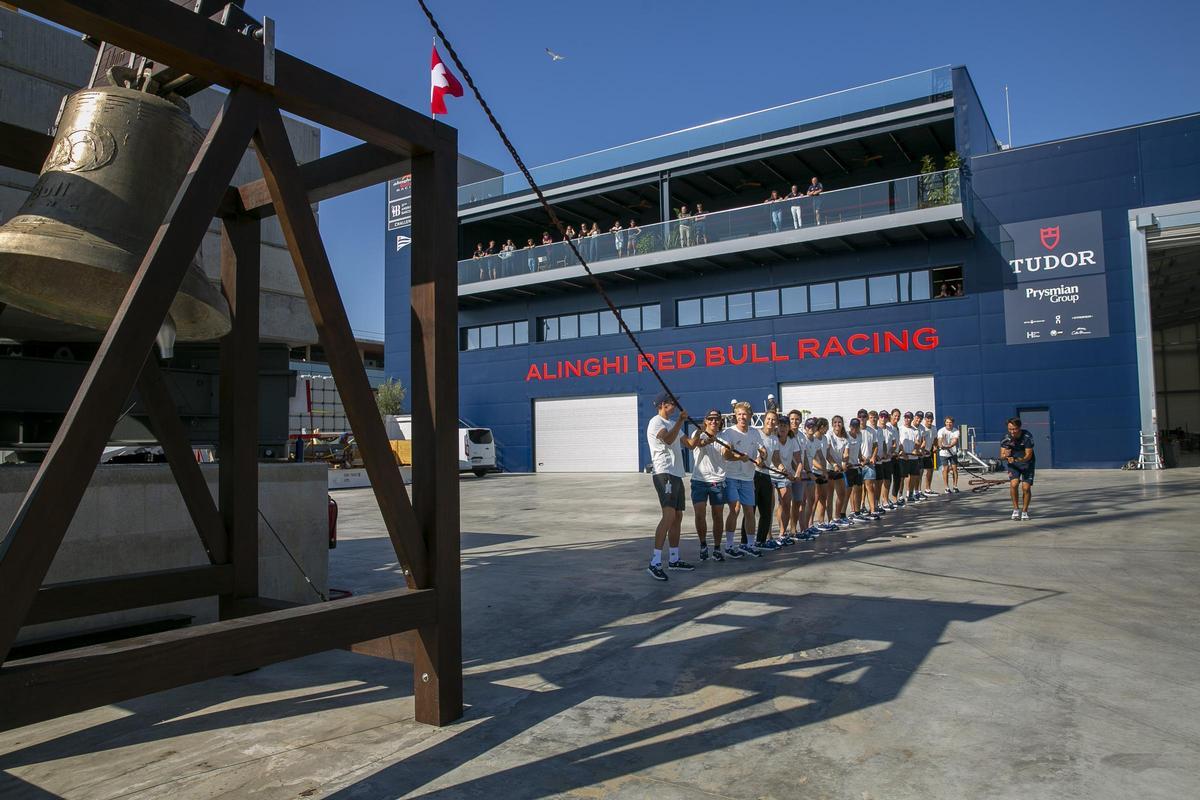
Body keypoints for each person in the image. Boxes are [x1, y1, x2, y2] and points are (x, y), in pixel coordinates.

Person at [645, 393, 693, 580]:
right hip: (663, 472)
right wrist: (681, 421)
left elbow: (689, 444)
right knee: (669, 515)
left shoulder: (673, 424)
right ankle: (655, 562)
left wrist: (706, 436)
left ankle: (674, 559)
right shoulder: (656, 422)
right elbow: (667, 440)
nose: (676, 406)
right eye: (673, 403)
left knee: (678, 516)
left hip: (676, 474)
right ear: (664, 405)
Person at [684, 410, 729, 562]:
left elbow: (725, 452)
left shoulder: (724, 436)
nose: (713, 421)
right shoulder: (698, 434)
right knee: (700, 514)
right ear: (705, 420)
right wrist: (703, 438)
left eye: (717, 419)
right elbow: (694, 445)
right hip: (699, 481)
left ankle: (717, 548)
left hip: (718, 481)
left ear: (720, 421)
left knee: (717, 516)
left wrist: (736, 455)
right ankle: (703, 545)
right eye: (710, 419)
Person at [723, 401, 765, 558]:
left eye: (744, 414)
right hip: (732, 477)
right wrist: (739, 458)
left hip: (748, 478)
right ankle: (728, 545)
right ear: (735, 415)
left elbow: (763, 450)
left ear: (750, 416)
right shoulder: (729, 433)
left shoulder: (755, 433)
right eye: (739, 414)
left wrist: (762, 457)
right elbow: (725, 454)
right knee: (735, 509)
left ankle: (750, 545)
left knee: (749, 511)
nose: (741, 417)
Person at [754, 410, 782, 550]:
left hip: (766, 475)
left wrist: (781, 467)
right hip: (753, 475)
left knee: (766, 511)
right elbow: (755, 451)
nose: (771, 422)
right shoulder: (756, 434)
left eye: (773, 420)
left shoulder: (774, 438)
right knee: (750, 510)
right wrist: (758, 459)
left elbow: (775, 458)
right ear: (764, 420)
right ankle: (745, 542)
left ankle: (761, 541)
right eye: (768, 419)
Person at [771, 412, 800, 545]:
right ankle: (768, 536)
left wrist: (798, 474)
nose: (782, 428)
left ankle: (782, 534)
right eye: (780, 425)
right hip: (771, 474)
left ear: (789, 428)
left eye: (785, 425)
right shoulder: (773, 438)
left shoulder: (793, 440)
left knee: (786, 503)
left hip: (785, 476)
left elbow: (799, 461)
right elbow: (775, 458)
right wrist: (784, 470)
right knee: (769, 506)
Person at [1000, 417, 1035, 520]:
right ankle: (1016, 509)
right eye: (1010, 429)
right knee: (1014, 484)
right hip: (1013, 464)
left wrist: (1017, 460)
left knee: (1026, 488)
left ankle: (1024, 511)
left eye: (1014, 429)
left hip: (1027, 463)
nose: (1012, 432)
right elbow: (1001, 456)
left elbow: (1028, 455)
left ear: (1019, 428)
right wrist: (1006, 455)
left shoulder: (1027, 436)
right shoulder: (1005, 438)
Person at [842, 418, 866, 524]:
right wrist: (845, 463)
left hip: (856, 467)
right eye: (853, 426)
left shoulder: (860, 435)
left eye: (857, 426)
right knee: (847, 492)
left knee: (859, 489)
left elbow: (859, 449)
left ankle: (857, 512)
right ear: (850, 426)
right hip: (848, 468)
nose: (855, 428)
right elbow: (844, 452)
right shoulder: (846, 436)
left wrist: (861, 458)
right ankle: (842, 514)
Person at [828, 415, 851, 526]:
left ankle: (837, 517)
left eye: (839, 422)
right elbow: (827, 454)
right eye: (835, 422)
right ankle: (828, 520)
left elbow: (846, 454)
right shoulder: (829, 435)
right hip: (829, 468)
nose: (837, 424)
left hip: (839, 469)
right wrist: (834, 464)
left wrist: (844, 462)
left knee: (842, 494)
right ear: (832, 424)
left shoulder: (845, 438)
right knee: (829, 495)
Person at [899, 411, 922, 503]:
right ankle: (900, 495)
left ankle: (910, 494)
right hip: (903, 457)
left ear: (912, 419)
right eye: (905, 417)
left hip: (913, 457)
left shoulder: (916, 430)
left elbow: (917, 442)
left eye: (909, 417)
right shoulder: (900, 429)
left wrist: (916, 449)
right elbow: (898, 442)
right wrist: (903, 453)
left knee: (913, 476)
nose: (907, 419)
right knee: (902, 477)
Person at [938, 415, 961, 493]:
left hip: (953, 453)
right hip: (943, 453)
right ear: (945, 423)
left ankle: (955, 486)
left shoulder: (956, 431)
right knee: (946, 469)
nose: (948, 424)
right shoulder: (941, 430)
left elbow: (955, 441)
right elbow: (939, 440)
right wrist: (941, 445)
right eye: (947, 422)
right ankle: (946, 487)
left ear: (953, 423)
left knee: (954, 468)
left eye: (950, 422)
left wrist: (949, 446)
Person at [920, 411, 937, 499]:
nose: (929, 419)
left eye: (931, 418)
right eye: (927, 418)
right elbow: (920, 441)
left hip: (929, 452)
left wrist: (935, 446)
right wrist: (922, 451)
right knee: (920, 472)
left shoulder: (934, 428)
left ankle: (928, 489)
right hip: (922, 453)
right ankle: (918, 491)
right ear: (925, 419)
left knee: (930, 470)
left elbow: (935, 439)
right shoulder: (922, 429)